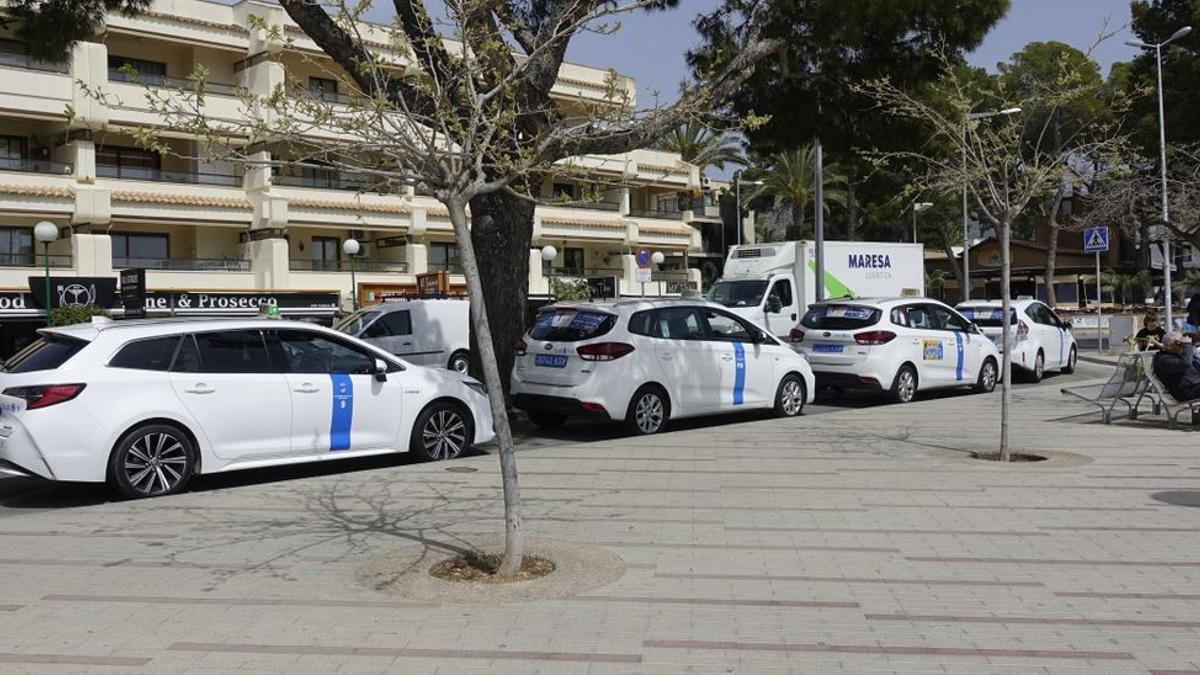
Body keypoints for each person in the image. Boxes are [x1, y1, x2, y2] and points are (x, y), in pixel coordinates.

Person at [1152, 332, 1200, 401]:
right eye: (1179, 343)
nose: (1182, 346)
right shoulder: (1163, 360)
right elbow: (1186, 364)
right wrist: (1187, 345)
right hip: (1185, 391)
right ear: (1169, 346)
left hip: (1194, 386)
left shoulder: (1173, 354)